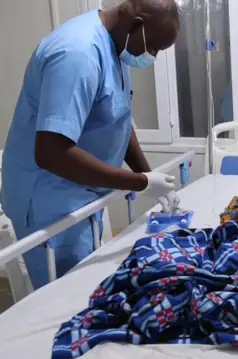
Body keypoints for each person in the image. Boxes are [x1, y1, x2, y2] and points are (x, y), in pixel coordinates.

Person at [0, 0, 181, 290]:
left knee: (91, 287)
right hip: (50, 197)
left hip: (82, 190)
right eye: (154, 48)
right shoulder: (78, 54)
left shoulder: (116, 45)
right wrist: (139, 183)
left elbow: (116, 119)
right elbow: (50, 151)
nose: (153, 57)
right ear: (135, 26)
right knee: (66, 300)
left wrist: (152, 179)